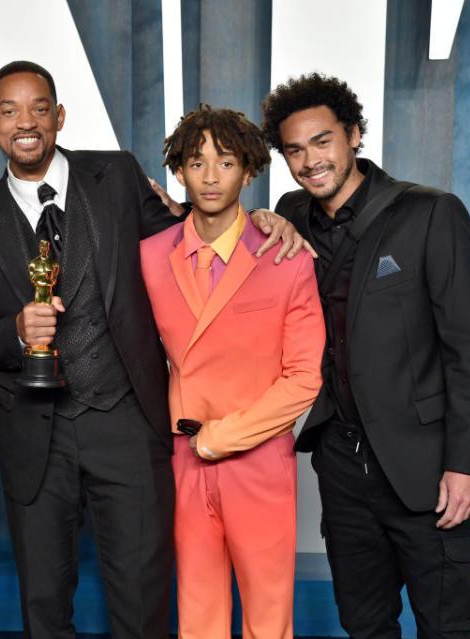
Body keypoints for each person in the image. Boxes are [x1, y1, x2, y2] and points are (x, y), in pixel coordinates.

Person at [0, 61, 303, 638]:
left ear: (59, 116)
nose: (26, 123)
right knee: (44, 603)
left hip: (128, 427)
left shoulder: (116, 174)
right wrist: (15, 331)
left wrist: (258, 219)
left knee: (142, 601)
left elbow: (190, 233)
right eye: (9, 112)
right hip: (35, 437)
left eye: (39, 108)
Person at [261, 73, 470, 638]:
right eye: (294, 149)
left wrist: (466, 465)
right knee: (364, 625)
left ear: (354, 135)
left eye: (322, 141)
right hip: (342, 465)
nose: (309, 160)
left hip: (426, 466)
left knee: (448, 627)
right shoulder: (290, 213)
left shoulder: (430, 212)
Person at [141, 105, 325, 639]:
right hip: (181, 459)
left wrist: (223, 438)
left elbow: (303, 377)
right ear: (178, 171)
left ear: (249, 171)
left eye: (225, 163)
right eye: (196, 163)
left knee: (269, 617)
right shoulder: (150, 256)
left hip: (258, 459)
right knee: (197, 613)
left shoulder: (285, 257)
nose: (211, 176)